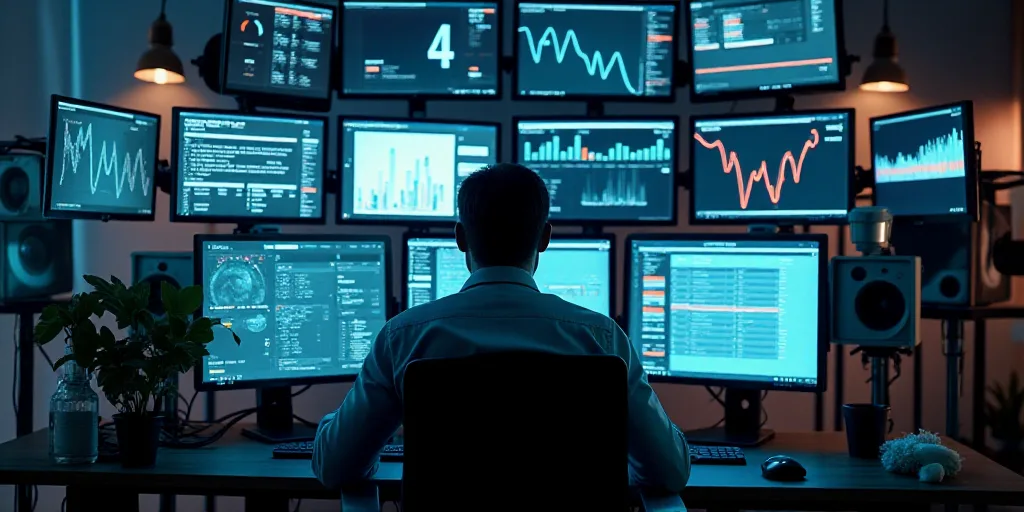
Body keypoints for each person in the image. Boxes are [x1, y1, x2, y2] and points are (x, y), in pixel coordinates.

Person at [312, 163, 690, 491]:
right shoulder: (602, 338)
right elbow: (668, 472)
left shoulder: (404, 337)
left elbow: (336, 468)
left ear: (460, 238)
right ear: (545, 238)